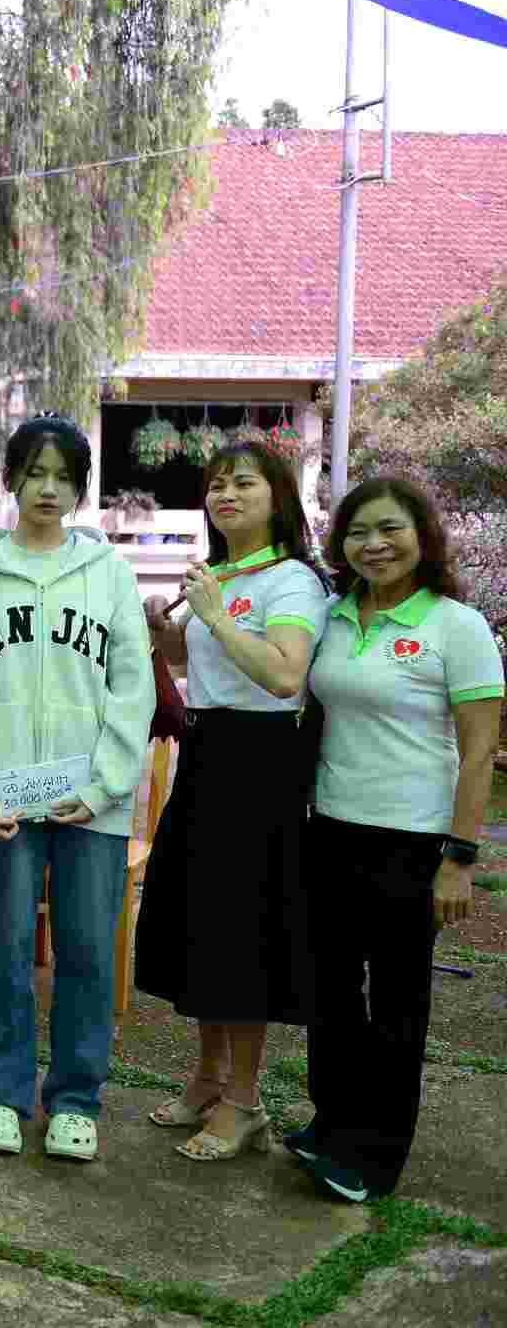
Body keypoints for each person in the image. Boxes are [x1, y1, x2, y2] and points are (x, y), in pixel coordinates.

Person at [286, 478, 500, 1201]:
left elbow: (478, 751)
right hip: (333, 830)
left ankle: (378, 1155)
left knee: (397, 1002)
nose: (374, 544)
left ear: (422, 534)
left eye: (390, 529)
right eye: (357, 533)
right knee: (332, 992)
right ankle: (334, 1122)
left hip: (411, 845)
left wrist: (460, 858)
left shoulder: (455, 626)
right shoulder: (336, 616)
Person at [0, 415, 154, 1162]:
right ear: (11, 478)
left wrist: (103, 786)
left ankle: (74, 1097)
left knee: (88, 950)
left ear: (77, 488)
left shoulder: (108, 573)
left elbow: (132, 686)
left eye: (63, 476)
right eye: (34, 472)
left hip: (88, 803)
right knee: (2, 947)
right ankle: (1, 1089)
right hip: (3, 797)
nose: (47, 488)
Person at [135, 440, 329, 1161]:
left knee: (245, 936)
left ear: (278, 496)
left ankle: (246, 1102)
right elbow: (197, 667)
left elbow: (282, 675)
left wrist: (214, 616)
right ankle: (209, 1078)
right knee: (203, 926)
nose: (226, 496)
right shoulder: (222, 574)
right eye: (217, 485)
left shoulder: (292, 583)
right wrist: (168, 632)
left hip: (263, 765)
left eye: (243, 484)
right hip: (208, 751)